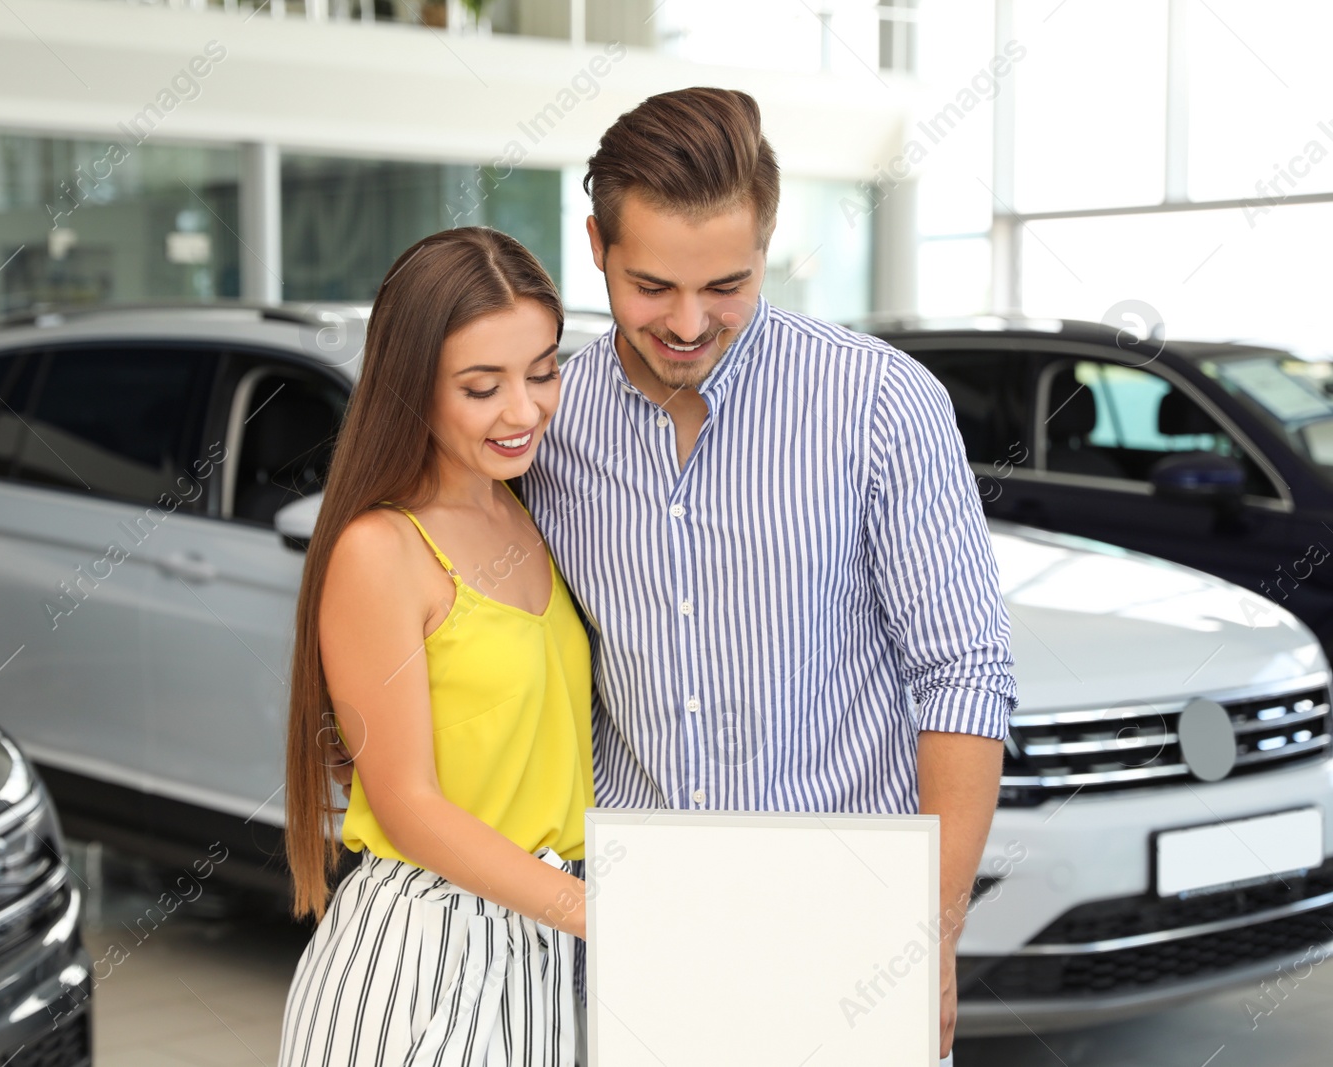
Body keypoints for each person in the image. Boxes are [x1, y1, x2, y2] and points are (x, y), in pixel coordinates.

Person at [520, 87, 1016, 1065]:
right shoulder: (549, 423)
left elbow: (962, 669)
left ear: (769, 236)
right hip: (643, 915)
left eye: (728, 284)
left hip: (852, 916)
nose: (691, 322)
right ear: (595, 245)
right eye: (652, 285)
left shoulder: (877, 402)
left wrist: (931, 932)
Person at [278, 227, 594, 1067]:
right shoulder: (381, 549)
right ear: (412, 388)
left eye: (542, 371)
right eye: (482, 386)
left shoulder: (534, 511)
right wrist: (595, 909)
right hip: (424, 951)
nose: (523, 411)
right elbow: (408, 803)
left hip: (548, 948)